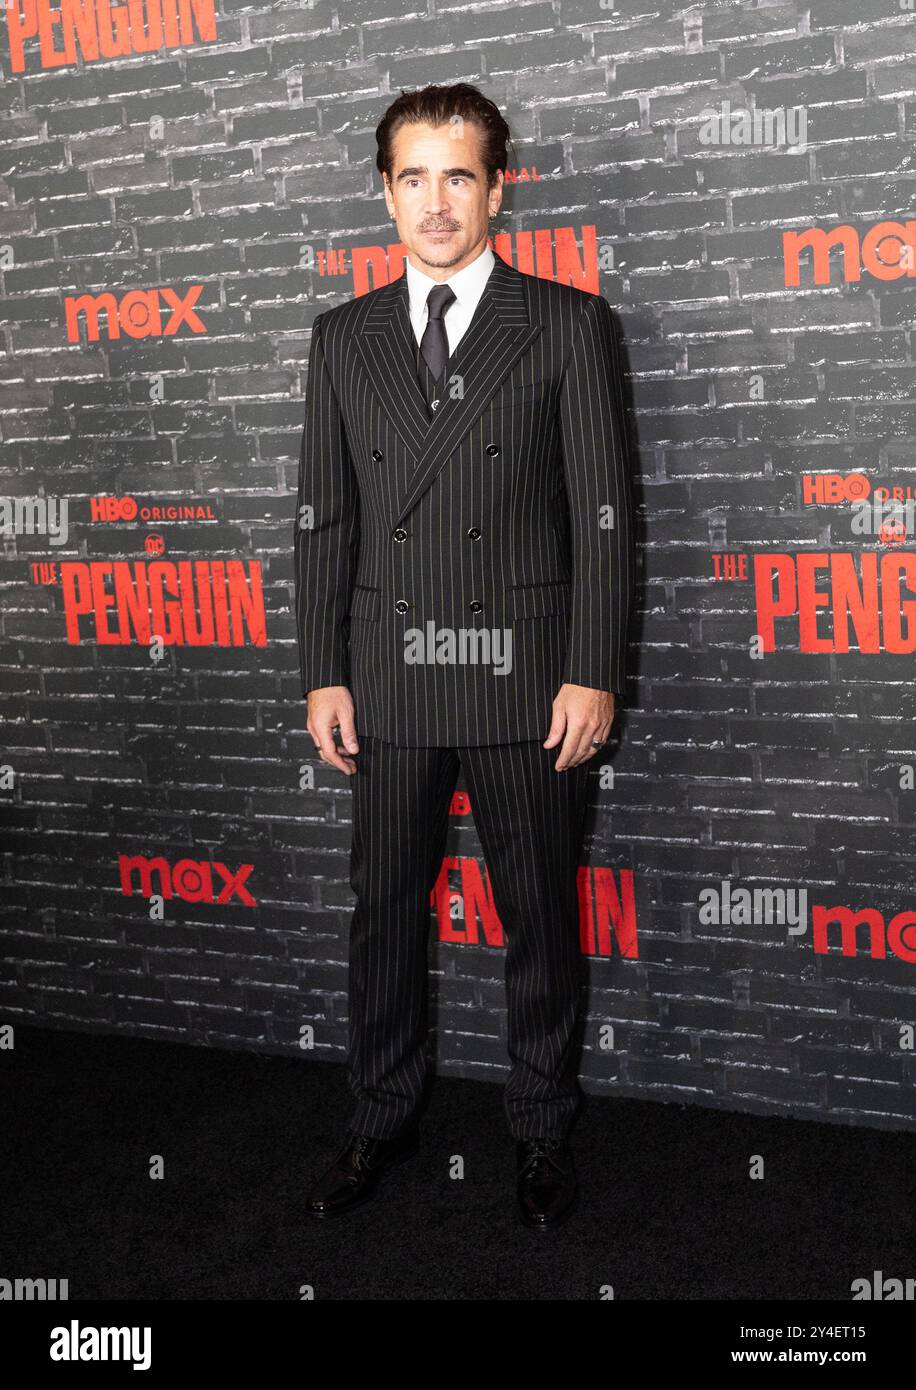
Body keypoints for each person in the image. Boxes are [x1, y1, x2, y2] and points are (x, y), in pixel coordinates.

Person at [294, 81, 634, 1229]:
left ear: (498, 185)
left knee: (537, 914)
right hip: (386, 678)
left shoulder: (568, 324)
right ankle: (379, 1117)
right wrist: (321, 671)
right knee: (382, 911)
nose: (434, 202)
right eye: (411, 177)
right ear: (383, 191)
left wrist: (592, 668)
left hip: (527, 682)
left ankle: (540, 1129)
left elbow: (603, 515)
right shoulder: (341, 339)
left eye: (457, 175)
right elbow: (325, 520)